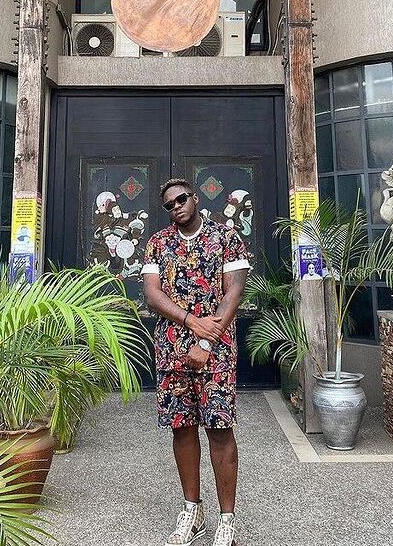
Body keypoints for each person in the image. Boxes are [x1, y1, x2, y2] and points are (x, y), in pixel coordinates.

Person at [141, 179, 250, 546]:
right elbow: (153, 294)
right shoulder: (157, 243)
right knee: (182, 428)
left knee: (219, 429)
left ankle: (227, 520)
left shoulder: (226, 237)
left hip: (215, 352)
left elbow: (234, 292)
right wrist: (190, 321)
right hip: (171, 349)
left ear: (195, 198)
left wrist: (205, 340)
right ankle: (193, 511)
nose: (177, 207)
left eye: (181, 199)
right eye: (170, 205)